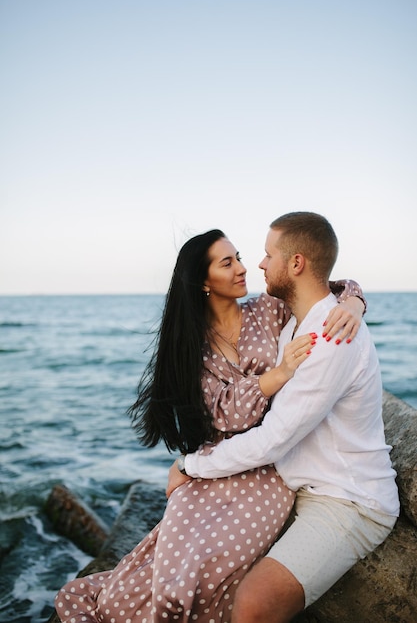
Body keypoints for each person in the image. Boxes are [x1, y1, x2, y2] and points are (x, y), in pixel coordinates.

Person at [54, 228, 366, 623]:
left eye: (238, 256)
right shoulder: (193, 347)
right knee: (161, 573)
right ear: (204, 282)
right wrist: (278, 374)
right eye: (228, 262)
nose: (243, 267)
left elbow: (324, 288)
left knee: (201, 575)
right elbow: (223, 414)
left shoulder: (269, 310)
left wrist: (354, 302)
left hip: (265, 470)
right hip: (215, 460)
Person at [167, 214, 400, 623]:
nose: (255, 265)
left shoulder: (330, 335)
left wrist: (191, 465)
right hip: (296, 483)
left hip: (347, 498)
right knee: (193, 557)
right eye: (233, 260)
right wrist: (353, 298)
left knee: (253, 603)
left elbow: (273, 438)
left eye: (266, 255)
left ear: (294, 264)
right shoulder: (291, 323)